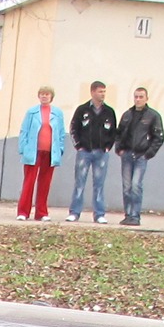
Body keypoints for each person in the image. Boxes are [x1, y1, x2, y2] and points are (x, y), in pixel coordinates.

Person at [66, 80, 117, 224]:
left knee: (99, 184)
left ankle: (99, 214)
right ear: (93, 92)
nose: (103, 94)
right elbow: (74, 128)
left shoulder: (109, 111)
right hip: (84, 152)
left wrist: (108, 146)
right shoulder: (82, 110)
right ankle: (74, 212)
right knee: (80, 183)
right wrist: (79, 146)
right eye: (100, 91)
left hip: (101, 153)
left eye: (104, 92)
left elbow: (113, 132)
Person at [115, 86, 164, 226]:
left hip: (141, 156)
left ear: (146, 98)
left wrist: (148, 154)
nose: (138, 99)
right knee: (126, 187)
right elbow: (118, 133)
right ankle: (127, 215)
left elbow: (158, 137)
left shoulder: (153, 116)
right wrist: (119, 149)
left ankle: (135, 216)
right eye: (136, 97)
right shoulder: (127, 115)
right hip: (126, 155)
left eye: (141, 97)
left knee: (136, 185)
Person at [14, 85, 65, 221]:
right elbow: (24, 131)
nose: (44, 96)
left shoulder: (58, 114)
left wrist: (60, 149)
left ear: (51, 96)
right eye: (42, 94)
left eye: (47, 94)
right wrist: (23, 149)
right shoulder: (31, 112)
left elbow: (60, 134)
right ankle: (23, 212)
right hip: (33, 151)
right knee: (29, 181)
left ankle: (41, 213)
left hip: (50, 153)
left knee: (45, 183)